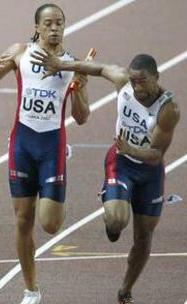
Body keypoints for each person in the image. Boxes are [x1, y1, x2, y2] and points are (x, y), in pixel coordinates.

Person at [31, 51, 180, 303]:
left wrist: (131, 148)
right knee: (117, 221)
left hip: (149, 171)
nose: (137, 87)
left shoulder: (168, 109)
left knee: (143, 238)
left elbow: (156, 154)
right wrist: (61, 64)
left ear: (157, 77)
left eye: (143, 81)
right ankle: (110, 215)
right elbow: (98, 68)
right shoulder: (123, 80)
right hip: (120, 163)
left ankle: (125, 290)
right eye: (134, 81)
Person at [0, 4, 90, 303]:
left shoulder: (72, 64)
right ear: (37, 27)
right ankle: (31, 290)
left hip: (52, 145)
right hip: (22, 144)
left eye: (59, 23)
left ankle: (63, 163)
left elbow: (82, 117)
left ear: (65, 27)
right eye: (48, 23)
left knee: (50, 225)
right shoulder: (20, 52)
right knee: (23, 220)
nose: (54, 28)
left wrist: (78, 86)